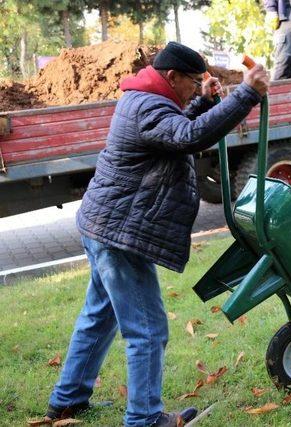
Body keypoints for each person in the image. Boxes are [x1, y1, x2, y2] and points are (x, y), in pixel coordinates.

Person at [43, 41, 269, 427]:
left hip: (106, 227)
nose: (196, 87)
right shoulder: (147, 106)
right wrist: (247, 93)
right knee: (147, 329)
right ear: (172, 77)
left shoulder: (145, 99)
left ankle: (68, 401)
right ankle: (144, 418)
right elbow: (188, 137)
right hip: (119, 235)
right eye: (193, 82)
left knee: (98, 316)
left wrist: (201, 102)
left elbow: (176, 129)